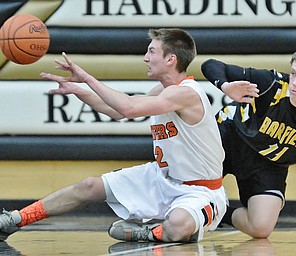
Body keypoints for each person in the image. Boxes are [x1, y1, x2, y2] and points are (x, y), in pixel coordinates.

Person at [0, 28, 227, 243]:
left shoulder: (186, 94)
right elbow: (118, 112)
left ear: (171, 59)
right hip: (162, 178)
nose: (145, 58)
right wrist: (78, 90)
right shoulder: (163, 90)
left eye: (151, 51)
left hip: (201, 189)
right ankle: (15, 219)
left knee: (177, 226)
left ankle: (149, 232)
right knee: (88, 186)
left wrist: (87, 78)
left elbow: (129, 107)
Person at [201, 43, 296, 238]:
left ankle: (217, 211)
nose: (295, 82)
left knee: (261, 227)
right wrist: (225, 86)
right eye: (293, 73)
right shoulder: (271, 83)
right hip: (231, 138)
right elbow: (211, 64)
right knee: (188, 193)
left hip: (269, 162)